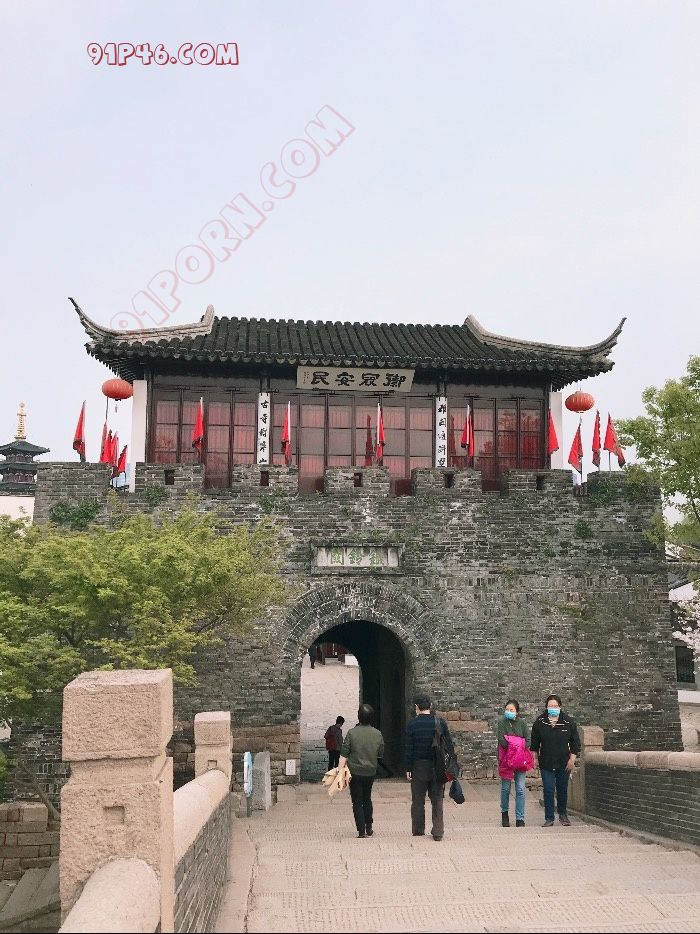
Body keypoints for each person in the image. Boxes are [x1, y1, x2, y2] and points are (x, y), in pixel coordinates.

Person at [405, 694, 454, 841]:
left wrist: (408, 768)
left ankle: (418, 830)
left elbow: (409, 749)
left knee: (418, 800)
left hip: (419, 766)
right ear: (430, 706)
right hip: (437, 766)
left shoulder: (412, 725)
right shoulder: (440, 723)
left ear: (416, 707)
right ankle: (438, 831)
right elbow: (449, 746)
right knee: (437, 798)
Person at [530, 693, 581, 827]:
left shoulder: (568, 722)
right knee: (548, 789)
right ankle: (549, 817)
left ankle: (563, 815)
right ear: (546, 707)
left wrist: (572, 759)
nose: (553, 708)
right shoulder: (540, 722)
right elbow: (534, 743)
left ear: (560, 707)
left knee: (562, 789)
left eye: (555, 706)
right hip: (546, 761)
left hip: (564, 761)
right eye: (550, 706)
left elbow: (575, 743)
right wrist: (534, 759)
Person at [337, 704, 384, 838]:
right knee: (367, 799)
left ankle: (361, 831)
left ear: (358, 717)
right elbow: (380, 754)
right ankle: (369, 828)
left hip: (355, 772)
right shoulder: (377, 734)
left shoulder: (352, 733)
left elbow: (344, 754)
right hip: (370, 772)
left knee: (357, 801)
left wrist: (340, 771)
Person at [497, 699, 530, 827]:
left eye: (511, 710)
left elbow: (528, 740)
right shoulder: (502, 723)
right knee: (505, 788)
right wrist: (517, 744)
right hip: (506, 759)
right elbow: (502, 741)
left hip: (520, 759)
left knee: (520, 789)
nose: (509, 712)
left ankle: (520, 817)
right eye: (507, 709)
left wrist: (515, 745)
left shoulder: (522, 723)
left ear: (517, 712)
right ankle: (504, 814)